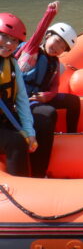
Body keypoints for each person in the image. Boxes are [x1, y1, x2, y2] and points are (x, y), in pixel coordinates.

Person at [20, 21, 81, 178]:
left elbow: (55, 86)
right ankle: (38, 172)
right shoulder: (30, 52)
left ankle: (72, 136)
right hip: (23, 99)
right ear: (47, 36)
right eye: (57, 41)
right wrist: (50, 13)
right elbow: (36, 35)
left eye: (62, 47)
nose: (58, 48)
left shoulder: (54, 62)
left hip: (41, 96)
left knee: (74, 101)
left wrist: (48, 96)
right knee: (48, 114)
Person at [0, 13, 38, 176]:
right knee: (16, 142)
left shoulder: (12, 64)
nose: (9, 44)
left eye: (14, 40)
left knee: (41, 122)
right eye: (4, 37)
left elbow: (22, 99)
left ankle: (39, 174)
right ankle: (21, 194)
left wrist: (30, 133)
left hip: (3, 118)